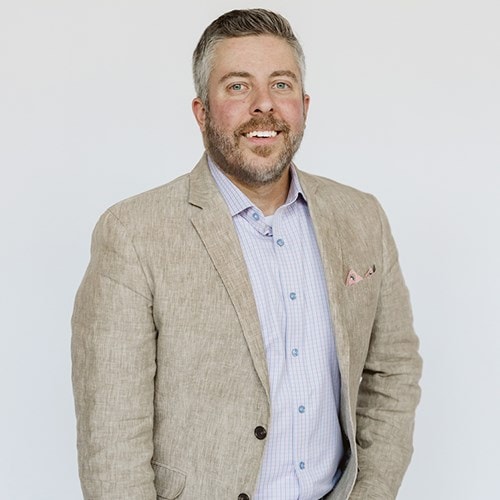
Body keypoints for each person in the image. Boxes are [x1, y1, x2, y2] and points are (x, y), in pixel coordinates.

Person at [71, 8, 422, 500]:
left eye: (281, 84)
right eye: (237, 86)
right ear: (202, 112)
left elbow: (393, 372)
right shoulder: (133, 234)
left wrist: (371, 492)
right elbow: (111, 434)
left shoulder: (362, 217)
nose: (264, 105)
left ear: (304, 105)